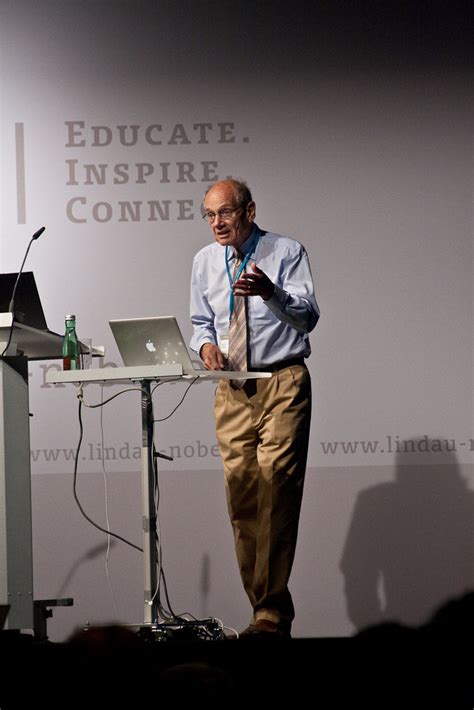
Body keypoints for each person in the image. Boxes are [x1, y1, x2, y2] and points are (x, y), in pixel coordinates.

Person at [190, 179, 320, 638]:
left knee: (276, 489)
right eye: (209, 215)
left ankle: (269, 613)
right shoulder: (205, 262)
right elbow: (200, 322)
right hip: (231, 387)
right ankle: (262, 610)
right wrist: (206, 347)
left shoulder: (285, 252)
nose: (217, 223)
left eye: (225, 213)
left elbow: (308, 316)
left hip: (281, 379)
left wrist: (270, 293)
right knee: (243, 499)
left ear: (249, 211)